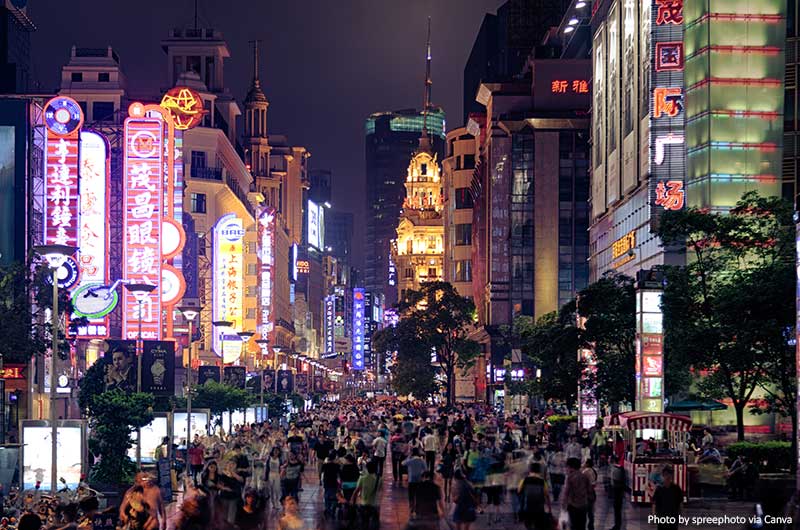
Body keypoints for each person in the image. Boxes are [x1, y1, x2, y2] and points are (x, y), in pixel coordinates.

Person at [518, 462, 551, 530]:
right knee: (538, 525)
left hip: (527, 508)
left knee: (528, 525)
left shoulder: (525, 480)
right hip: (539, 508)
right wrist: (549, 509)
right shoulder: (542, 481)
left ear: (529, 470)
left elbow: (519, 491)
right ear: (539, 470)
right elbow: (547, 495)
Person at [561, 457, 592, 530]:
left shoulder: (570, 477)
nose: (566, 469)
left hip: (573, 506)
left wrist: (563, 505)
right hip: (583, 505)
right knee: (582, 526)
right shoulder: (584, 476)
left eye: (567, 467)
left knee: (574, 526)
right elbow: (590, 491)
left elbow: (566, 493)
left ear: (571, 467)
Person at [352, 460, 381, 530]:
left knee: (364, 523)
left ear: (367, 468)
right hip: (375, 504)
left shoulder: (362, 478)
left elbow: (356, 491)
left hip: (364, 504)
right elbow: (379, 491)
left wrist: (352, 501)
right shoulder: (379, 479)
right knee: (374, 525)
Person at [403, 448, 428, 514]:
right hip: (419, 480)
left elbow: (403, 463)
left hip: (411, 480)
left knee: (411, 495)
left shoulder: (410, 460)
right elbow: (426, 469)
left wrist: (408, 456)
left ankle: (411, 507)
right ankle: (417, 508)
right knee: (418, 495)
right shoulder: (422, 461)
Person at [320, 454, 340, 518]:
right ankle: (332, 508)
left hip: (326, 481)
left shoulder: (325, 465)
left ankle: (327, 508)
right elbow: (339, 474)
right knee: (334, 495)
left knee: (326, 494)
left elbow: (321, 472)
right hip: (334, 482)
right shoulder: (337, 466)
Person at [265, 446, 284, 511]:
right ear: (272, 451)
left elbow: (282, 468)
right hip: (270, 474)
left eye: (277, 451)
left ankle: (277, 503)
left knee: (277, 489)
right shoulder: (269, 459)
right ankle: (273, 503)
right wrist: (266, 477)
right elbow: (267, 468)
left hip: (277, 475)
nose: (276, 452)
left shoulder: (280, 459)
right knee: (271, 490)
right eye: (275, 450)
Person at [609, 463, 626, 530]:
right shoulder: (620, 469)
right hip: (619, 492)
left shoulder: (617, 469)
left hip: (617, 492)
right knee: (618, 510)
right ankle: (617, 525)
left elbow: (616, 480)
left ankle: (617, 526)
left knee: (617, 510)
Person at [582, 458, 598, 530]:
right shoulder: (594, 470)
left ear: (587, 464)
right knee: (591, 512)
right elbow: (594, 483)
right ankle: (591, 526)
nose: (584, 464)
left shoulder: (585, 471)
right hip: (592, 493)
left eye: (585, 463)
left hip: (587, 493)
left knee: (584, 512)